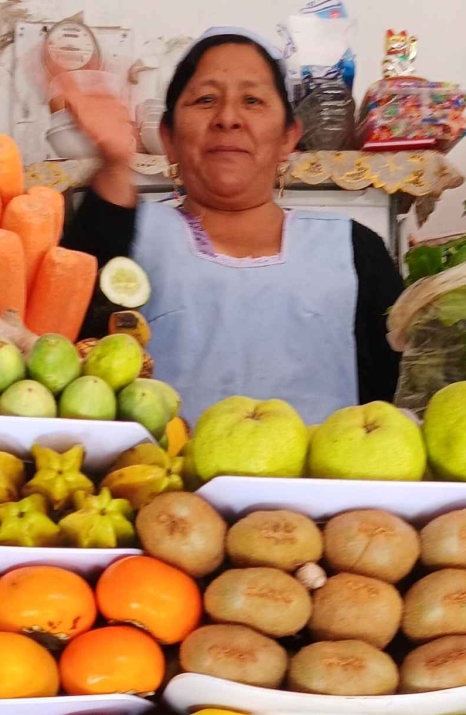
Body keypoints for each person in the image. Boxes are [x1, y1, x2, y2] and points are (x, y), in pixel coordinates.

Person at [61, 27, 402, 424]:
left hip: (324, 483)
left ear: (288, 137)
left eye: (253, 100)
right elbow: (73, 349)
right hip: (158, 483)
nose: (228, 119)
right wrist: (113, 164)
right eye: (205, 100)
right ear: (168, 137)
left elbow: (392, 399)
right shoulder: (126, 233)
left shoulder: (355, 251)